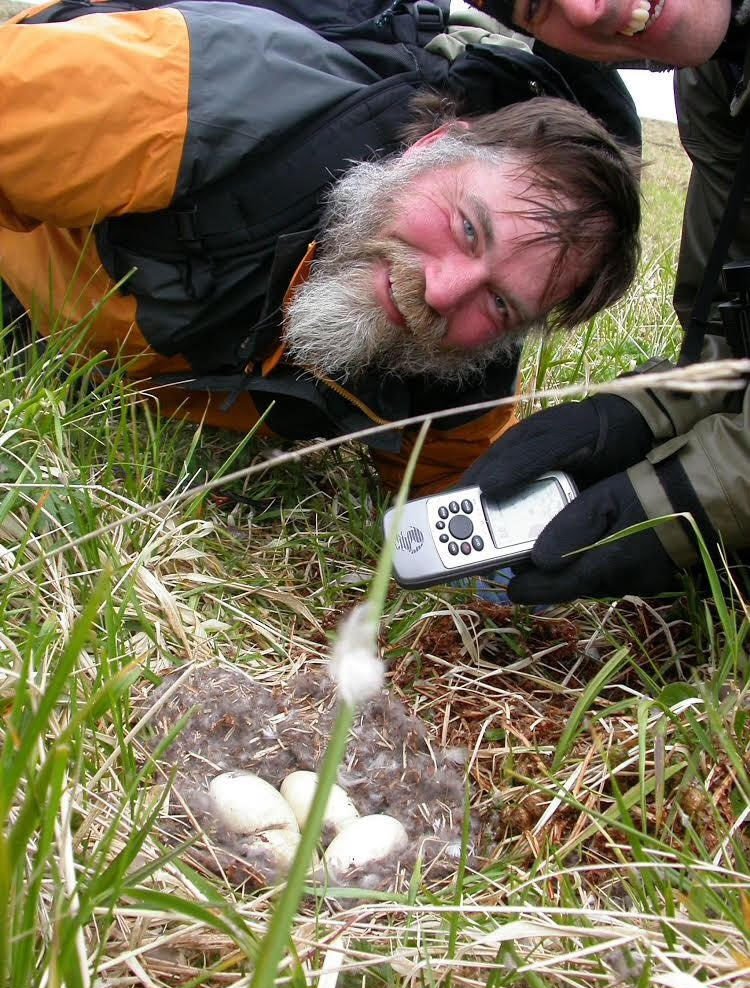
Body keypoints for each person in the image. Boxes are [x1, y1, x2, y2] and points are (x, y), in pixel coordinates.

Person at [0, 0, 640, 494]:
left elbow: (455, 486)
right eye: (468, 228)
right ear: (428, 150)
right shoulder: (192, 101)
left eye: (502, 304)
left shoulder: (458, 367)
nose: (443, 291)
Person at [464, 0, 750, 601]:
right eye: (536, 8)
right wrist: (645, 414)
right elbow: (732, 323)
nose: (588, 9)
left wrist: (700, 493)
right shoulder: (719, 79)